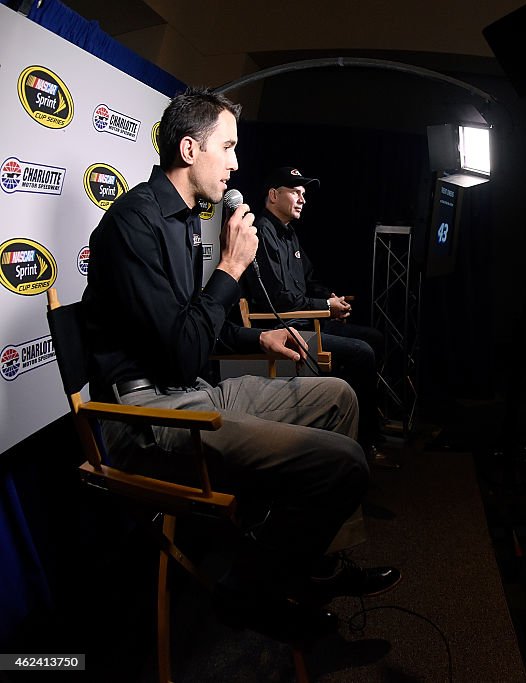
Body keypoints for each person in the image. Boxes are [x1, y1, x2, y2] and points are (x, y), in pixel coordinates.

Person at [82, 88, 397, 642]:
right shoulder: (132, 224)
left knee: (338, 395)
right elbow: (180, 347)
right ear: (188, 148)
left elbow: (191, 330)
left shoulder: (184, 220)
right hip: (146, 416)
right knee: (346, 463)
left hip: (191, 386)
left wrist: (261, 336)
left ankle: (313, 562)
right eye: (226, 147)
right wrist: (231, 268)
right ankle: (250, 588)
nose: (235, 164)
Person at [243, 167, 393, 467]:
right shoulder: (261, 233)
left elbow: (310, 280)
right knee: (361, 353)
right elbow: (278, 300)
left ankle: (363, 426)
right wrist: (325, 306)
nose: (302, 199)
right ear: (274, 195)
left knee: (375, 339)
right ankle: (362, 444)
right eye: (295, 192)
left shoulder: (290, 234)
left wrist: (331, 299)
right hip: (286, 330)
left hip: (309, 320)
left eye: (304, 194)